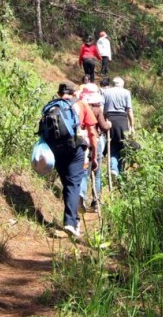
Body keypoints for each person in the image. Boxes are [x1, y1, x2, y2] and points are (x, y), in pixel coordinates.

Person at [45, 81, 97, 238]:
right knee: (74, 184)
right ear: (74, 93)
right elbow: (92, 132)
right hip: (76, 148)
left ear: (60, 93)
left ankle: (73, 219)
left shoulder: (51, 106)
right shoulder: (81, 104)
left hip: (56, 150)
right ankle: (70, 223)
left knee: (67, 184)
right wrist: (94, 155)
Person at [78, 92, 111, 213]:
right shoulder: (97, 110)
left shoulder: (80, 108)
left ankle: (81, 195)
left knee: (84, 172)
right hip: (95, 141)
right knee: (96, 173)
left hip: (83, 142)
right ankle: (96, 201)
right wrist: (109, 125)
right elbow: (104, 127)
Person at [102, 76, 135, 177]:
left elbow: (102, 108)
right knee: (123, 146)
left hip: (109, 120)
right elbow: (129, 110)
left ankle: (113, 169)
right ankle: (120, 172)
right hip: (122, 121)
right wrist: (132, 126)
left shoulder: (106, 92)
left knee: (112, 146)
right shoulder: (126, 92)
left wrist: (103, 122)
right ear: (122, 84)